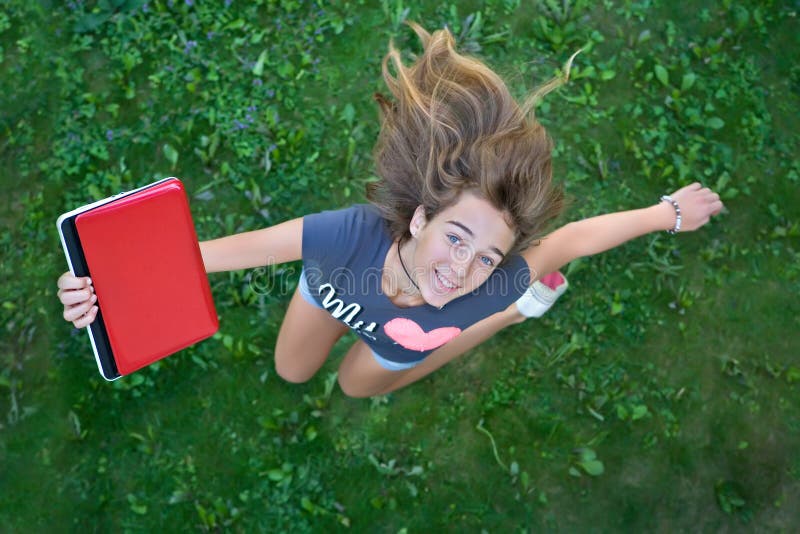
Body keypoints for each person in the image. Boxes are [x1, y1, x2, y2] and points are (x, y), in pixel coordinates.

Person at [56, 24, 723, 398]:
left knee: (357, 386)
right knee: (292, 370)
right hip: (334, 297)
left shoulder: (490, 281)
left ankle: (520, 313)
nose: (464, 268)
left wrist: (668, 213)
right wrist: (102, 288)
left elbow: (571, 239)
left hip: (411, 344)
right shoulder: (346, 239)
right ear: (419, 219)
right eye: (458, 237)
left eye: (488, 255)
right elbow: (213, 255)